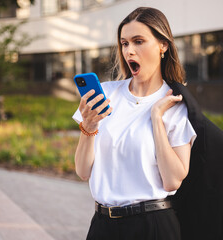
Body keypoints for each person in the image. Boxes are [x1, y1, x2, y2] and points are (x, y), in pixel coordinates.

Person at [72, 7, 197, 240]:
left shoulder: (175, 104)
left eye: (138, 41)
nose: (129, 50)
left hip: (152, 226)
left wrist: (157, 119)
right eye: (125, 43)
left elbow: (172, 181)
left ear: (163, 45)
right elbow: (82, 171)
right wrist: (88, 128)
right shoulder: (106, 95)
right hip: (102, 225)